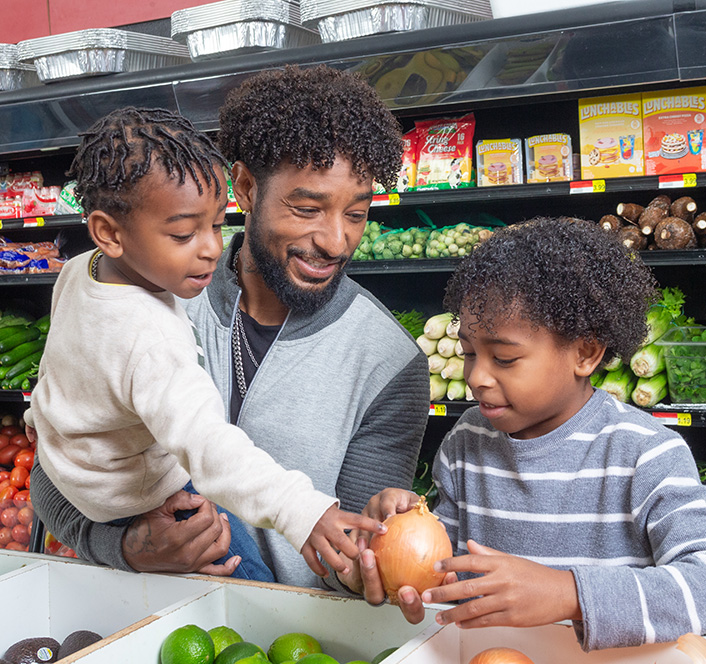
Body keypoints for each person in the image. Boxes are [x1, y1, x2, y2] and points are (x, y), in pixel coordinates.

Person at [29, 66, 430, 590]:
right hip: (134, 618)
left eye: (356, 213)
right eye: (307, 208)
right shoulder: (149, 297)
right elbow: (54, 466)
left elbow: (349, 559)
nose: (336, 240)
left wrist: (378, 562)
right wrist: (130, 549)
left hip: (276, 650)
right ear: (244, 186)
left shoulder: (389, 363)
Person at [354, 216, 706, 650]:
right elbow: (439, 566)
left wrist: (569, 594)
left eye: (505, 359)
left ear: (585, 353)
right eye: (470, 354)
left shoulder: (644, 453)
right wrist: (399, 551)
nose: (478, 377)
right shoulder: (467, 443)